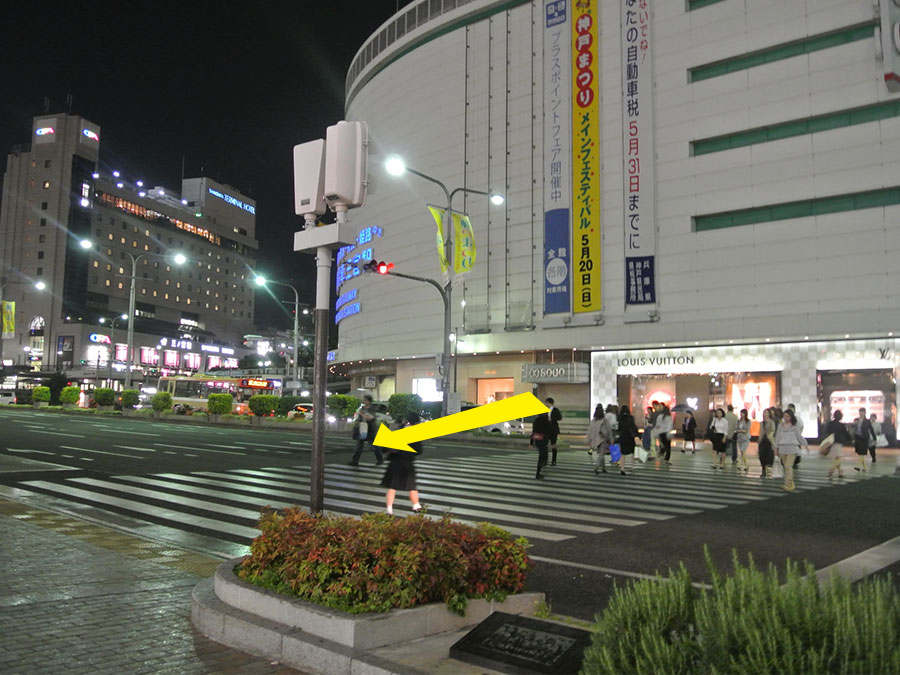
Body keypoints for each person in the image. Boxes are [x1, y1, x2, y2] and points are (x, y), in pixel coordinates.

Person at [381, 412, 423, 514]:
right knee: (411, 486)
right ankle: (416, 505)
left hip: (395, 462)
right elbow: (418, 450)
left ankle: (389, 510)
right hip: (407, 463)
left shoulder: (397, 431)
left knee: (392, 487)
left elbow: (384, 447)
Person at [775, 409, 807, 492]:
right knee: (786, 466)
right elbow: (777, 437)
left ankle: (788, 485)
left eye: (787, 416)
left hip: (792, 448)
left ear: (791, 417)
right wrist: (776, 448)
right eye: (784, 416)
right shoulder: (780, 426)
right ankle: (790, 484)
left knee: (788, 466)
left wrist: (805, 444)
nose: (785, 418)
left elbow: (799, 437)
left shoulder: (795, 427)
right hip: (783, 448)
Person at [348, 395, 383, 466]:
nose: (364, 401)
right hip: (362, 429)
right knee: (359, 446)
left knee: (375, 446)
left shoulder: (373, 408)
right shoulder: (362, 408)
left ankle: (380, 459)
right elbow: (358, 417)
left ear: (369, 401)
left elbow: (370, 417)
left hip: (371, 429)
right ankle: (355, 461)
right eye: (364, 400)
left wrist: (362, 414)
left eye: (365, 400)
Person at [821, 410, 851, 479]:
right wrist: (851, 440)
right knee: (838, 458)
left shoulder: (830, 424)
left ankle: (840, 472)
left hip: (831, 442)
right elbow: (846, 434)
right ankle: (831, 471)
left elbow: (826, 432)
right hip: (838, 443)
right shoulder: (841, 425)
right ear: (840, 417)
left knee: (837, 458)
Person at [586, 404, 613, 474]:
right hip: (603, 439)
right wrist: (611, 440)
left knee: (601, 454)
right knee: (601, 454)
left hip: (596, 439)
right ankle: (596, 467)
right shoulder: (604, 421)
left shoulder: (593, 421)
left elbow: (589, 431)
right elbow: (609, 430)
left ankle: (604, 468)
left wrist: (589, 439)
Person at [617, 405, 639, 474]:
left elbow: (619, 428)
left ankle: (622, 468)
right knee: (632, 452)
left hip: (623, 437)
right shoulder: (631, 418)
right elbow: (634, 427)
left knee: (623, 453)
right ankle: (632, 466)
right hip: (630, 437)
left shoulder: (620, 418)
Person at [531, 412, 552, 479]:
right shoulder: (547, 422)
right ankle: (538, 473)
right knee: (541, 456)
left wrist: (531, 442)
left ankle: (541, 468)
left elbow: (533, 431)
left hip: (537, 439)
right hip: (544, 440)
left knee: (542, 454)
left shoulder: (536, 421)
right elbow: (549, 432)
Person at [853, 407, 875, 472]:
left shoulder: (867, 421)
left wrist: (874, 437)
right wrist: (854, 424)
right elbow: (853, 427)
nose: (860, 413)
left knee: (861, 453)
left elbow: (871, 429)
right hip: (858, 438)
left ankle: (858, 466)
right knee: (860, 453)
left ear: (864, 413)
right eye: (860, 412)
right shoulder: (856, 419)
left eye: (862, 412)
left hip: (864, 438)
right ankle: (864, 467)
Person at [758, 407, 777, 478]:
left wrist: (770, 435)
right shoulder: (761, 423)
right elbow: (760, 433)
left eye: (766, 413)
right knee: (761, 456)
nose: (765, 414)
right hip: (762, 441)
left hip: (769, 441)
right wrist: (759, 441)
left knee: (769, 456)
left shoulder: (772, 422)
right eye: (764, 413)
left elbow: (773, 430)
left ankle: (768, 471)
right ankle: (763, 468)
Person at [546, 397, 562, 466]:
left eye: (547, 403)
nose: (546, 404)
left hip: (553, 430)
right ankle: (545, 460)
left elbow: (559, 417)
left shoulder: (555, 410)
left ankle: (554, 461)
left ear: (550, 403)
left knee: (553, 445)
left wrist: (552, 419)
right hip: (546, 430)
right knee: (545, 445)